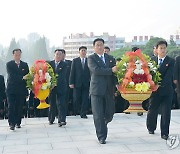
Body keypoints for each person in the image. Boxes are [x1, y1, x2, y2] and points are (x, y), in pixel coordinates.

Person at [87, 38, 117, 144]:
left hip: (109, 90)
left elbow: (115, 74)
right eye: (97, 45)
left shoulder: (110, 58)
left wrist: (117, 85)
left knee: (110, 113)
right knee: (98, 114)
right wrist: (110, 70)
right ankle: (101, 136)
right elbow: (96, 70)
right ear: (94, 47)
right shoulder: (91, 58)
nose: (99, 47)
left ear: (104, 46)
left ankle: (104, 123)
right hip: (96, 90)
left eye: (101, 45)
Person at [146, 40, 175, 140]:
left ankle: (164, 133)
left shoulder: (171, 61)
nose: (163, 50)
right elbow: (148, 74)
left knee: (166, 112)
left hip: (166, 91)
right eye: (160, 48)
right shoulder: (151, 60)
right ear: (156, 49)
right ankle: (151, 127)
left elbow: (168, 76)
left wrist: (159, 85)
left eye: (164, 48)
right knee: (152, 109)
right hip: (154, 91)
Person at [6, 49, 29, 130]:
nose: (17, 56)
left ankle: (18, 122)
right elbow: (11, 76)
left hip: (21, 90)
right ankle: (11, 123)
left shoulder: (25, 65)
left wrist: (27, 92)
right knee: (11, 106)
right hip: (11, 89)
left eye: (19, 55)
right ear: (13, 55)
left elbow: (27, 78)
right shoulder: (9, 64)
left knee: (19, 106)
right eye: (16, 55)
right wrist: (22, 77)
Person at [69, 46, 90, 118]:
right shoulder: (75, 61)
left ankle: (83, 113)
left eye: (85, 50)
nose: (83, 52)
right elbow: (72, 72)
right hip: (77, 83)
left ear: (86, 52)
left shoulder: (89, 60)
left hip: (86, 83)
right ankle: (76, 111)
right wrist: (71, 82)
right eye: (82, 50)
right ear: (79, 52)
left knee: (85, 99)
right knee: (76, 99)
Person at [48, 49, 67, 127]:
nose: (58, 56)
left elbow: (62, 76)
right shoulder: (49, 64)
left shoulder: (64, 64)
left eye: (60, 54)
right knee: (52, 103)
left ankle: (61, 120)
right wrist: (50, 84)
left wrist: (54, 83)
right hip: (51, 88)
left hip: (61, 86)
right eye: (57, 54)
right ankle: (51, 119)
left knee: (61, 103)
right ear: (54, 55)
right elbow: (47, 74)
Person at [61, 49, 73, 115]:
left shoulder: (70, 63)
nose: (61, 56)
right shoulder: (54, 63)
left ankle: (67, 112)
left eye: (62, 54)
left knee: (67, 99)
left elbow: (73, 73)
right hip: (59, 85)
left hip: (68, 84)